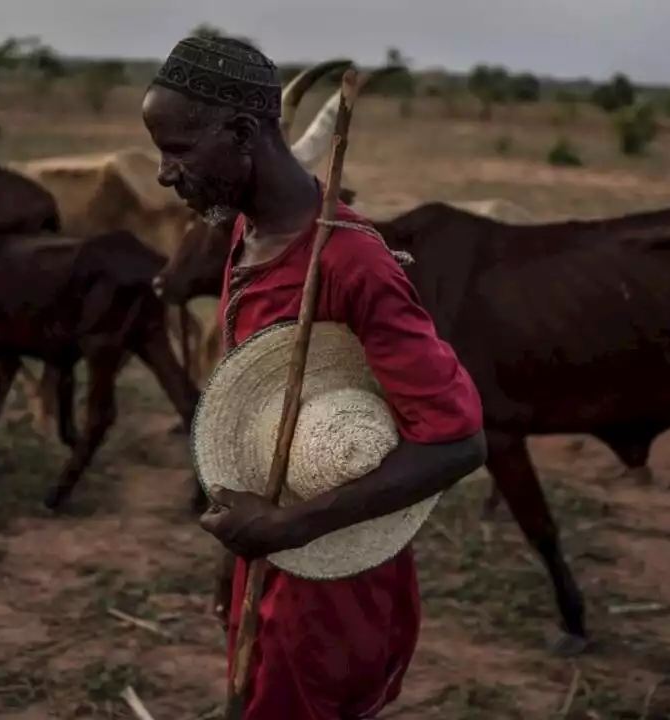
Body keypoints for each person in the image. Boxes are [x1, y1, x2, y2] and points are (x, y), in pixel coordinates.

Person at [142, 35, 487, 719]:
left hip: (331, 592)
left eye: (177, 150)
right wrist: (239, 560)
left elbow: (458, 442)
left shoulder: (352, 264)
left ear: (242, 133)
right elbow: (256, 431)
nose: (162, 173)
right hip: (271, 554)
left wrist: (289, 527)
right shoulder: (248, 232)